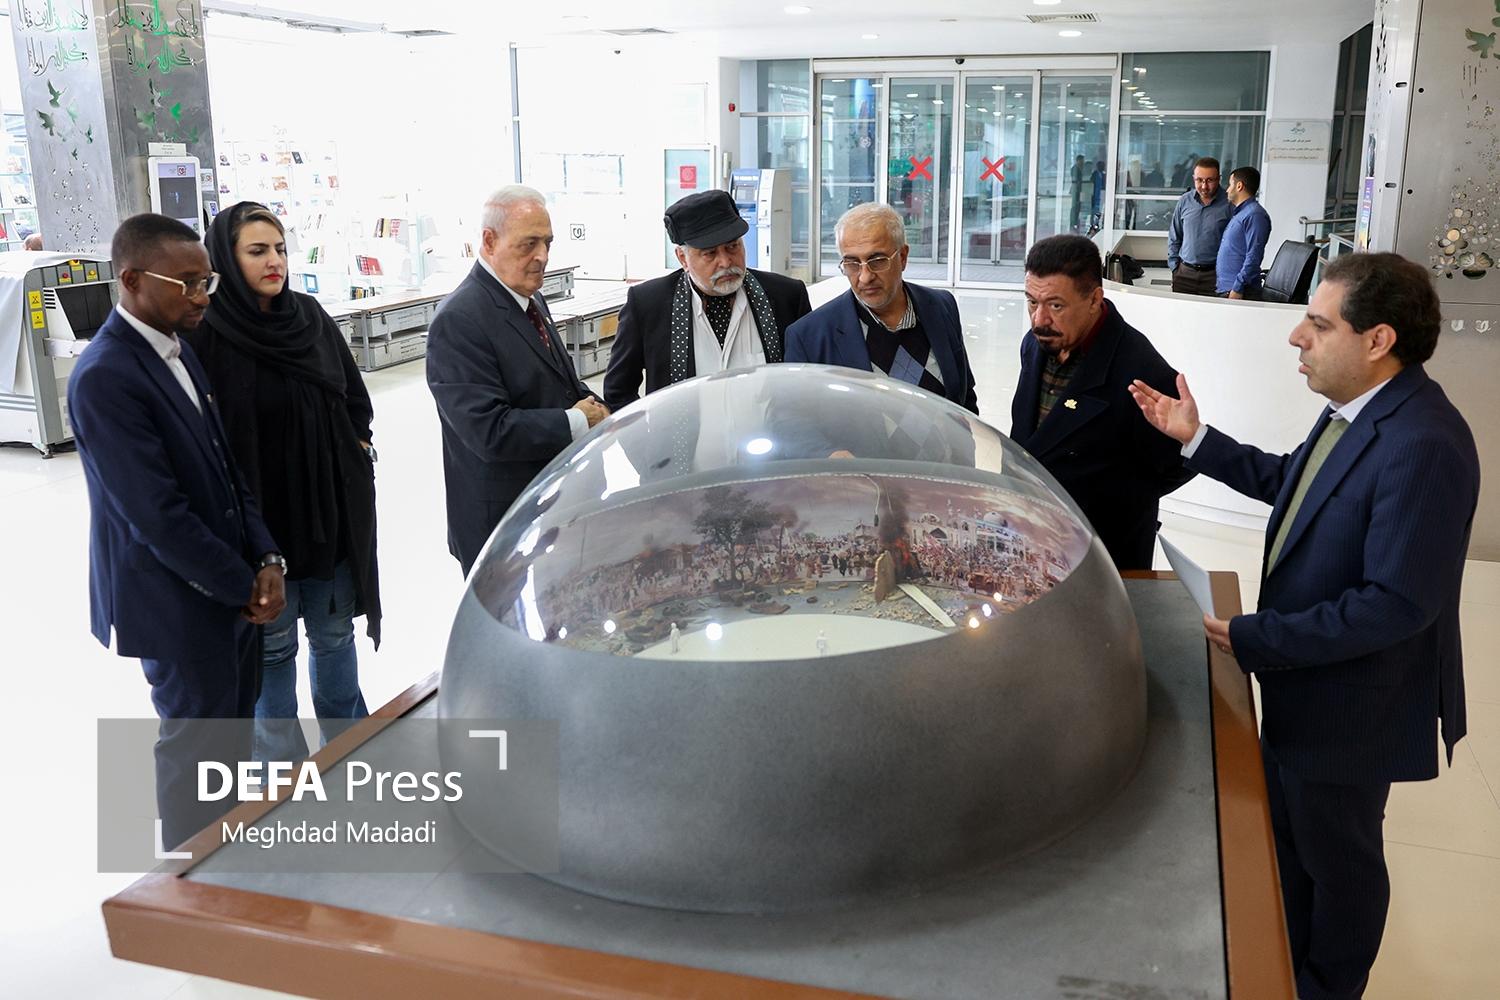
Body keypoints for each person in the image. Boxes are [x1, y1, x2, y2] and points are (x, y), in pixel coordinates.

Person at [1129, 253, 1480, 1000]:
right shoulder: (1357, 410)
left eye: (1318, 326)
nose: (1297, 337)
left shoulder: (1424, 444)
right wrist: (1196, 438)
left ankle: (1327, 985)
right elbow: (1295, 485)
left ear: (1378, 340)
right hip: (1307, 683)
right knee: (1290, 841)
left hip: (1352, 705)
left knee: (1340, 863)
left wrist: (1256, 638)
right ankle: (1282, 964)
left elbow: (1397, 604)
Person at [68, 213, 286, 850]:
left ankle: (228, 857)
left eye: (206, 281)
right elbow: (156, 516)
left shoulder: (179, 348)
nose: (201, 297)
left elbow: (226, 467)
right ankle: (193, 884)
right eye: (186, 284)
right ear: (132, 280)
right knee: (196, 747)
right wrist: (241, 585)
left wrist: (266, 556)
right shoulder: (106, 376)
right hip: (174, 600)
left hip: (230, 587)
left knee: (230, 738)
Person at [182, 202, 378, 764]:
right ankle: (281, 776)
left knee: (334, 638)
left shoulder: (309, 318)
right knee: (272, 650)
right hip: (258, 528)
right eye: (257, 251)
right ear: (225, 259)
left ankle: (349, 754)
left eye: (280, 249)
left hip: (328, 518)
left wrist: (356, 447)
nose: (275, 261)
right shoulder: (207, 335)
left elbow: (354, 398)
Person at [427, 186, 608, 576]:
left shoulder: (529, 299)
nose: (542, 256)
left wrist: (603, 411)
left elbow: (561, 382)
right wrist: (578, 420)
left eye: (547, 243)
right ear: (489, 241)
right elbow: (488, 431)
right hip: (502, 527)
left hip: (548, 509)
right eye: (529, 244)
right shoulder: (459, 320)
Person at [1009, 235, 1193, 570]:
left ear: (1095, 299)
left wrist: (1115, 502)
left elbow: (1178, 464)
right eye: (1032, 302)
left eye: (1056, 305)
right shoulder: (1035, 345)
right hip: (1032, 539)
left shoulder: (1141, 370)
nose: (1039, 320)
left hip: (1103, 555)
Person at [602, 189, 811, 412]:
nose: (725, 262)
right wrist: (649, 432)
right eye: (710, 253)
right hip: (681, 436)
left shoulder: (786, 297)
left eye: (733, 246)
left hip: (771, 434)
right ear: (683, 258)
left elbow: (810, 382)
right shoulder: (647, 305)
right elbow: (618, 392)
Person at [785, 202, 977, 414]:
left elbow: (964, 396)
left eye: (877, 260)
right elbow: (799, 422)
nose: (865, 277)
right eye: (852, 263)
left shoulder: (942, 306)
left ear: (902, 257)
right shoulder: (809, 337)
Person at [1166, 157, 1232, 296]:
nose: (1204, 186)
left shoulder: (1229, 204)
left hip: (1215, 277)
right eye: (1199, 180)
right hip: (1184, 274)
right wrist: (1174, 268)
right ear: (1193, 178)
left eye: (1210, 180)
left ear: (1219, 179)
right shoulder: (1185, 201)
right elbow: (1175, 236)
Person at [1215, 166, 1272, 300]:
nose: (1227, 190)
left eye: (1230, 185)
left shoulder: (1254, 215)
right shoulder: (1241, 213)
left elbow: (1254, 255)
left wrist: (1238, 287)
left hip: (1240, 293)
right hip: (1228, 289)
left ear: (1239, 186)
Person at [1069, 154, 1087, 231]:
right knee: (1075, 206)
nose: (1083, 162)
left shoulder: (1080, 169)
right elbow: (1075, 180)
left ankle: (1076, 221)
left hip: (1079, 190)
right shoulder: (1075, 169)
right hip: (1076, 190)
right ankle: (1073, 222)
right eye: (1082, 161)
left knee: (1078, 206)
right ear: (1078, 160)